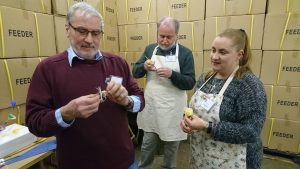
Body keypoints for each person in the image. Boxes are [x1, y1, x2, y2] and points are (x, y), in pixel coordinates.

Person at [26, 2, 145, 169]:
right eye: (82, 31)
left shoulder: (118, 63)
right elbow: (34, 122)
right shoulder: (48, 69)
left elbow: (140, 99)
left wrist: (127, 101)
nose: (89, 40)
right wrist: (67, 113)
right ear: (67, 29)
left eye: (96, 33)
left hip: (124, 162)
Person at [180, 28, 267, 169]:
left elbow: (251, 132)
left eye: (222, 52)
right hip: (201, 157)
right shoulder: (205, 78)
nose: (214, 56)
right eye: (213, 50)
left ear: (239, 55)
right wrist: (187, 121)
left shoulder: (249, 85)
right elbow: (196, 111)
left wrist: (207, 126)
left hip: (234, 161)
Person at [132, 16, 196, 169]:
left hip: (172, 109)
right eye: (162, 36)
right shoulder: (150, 49)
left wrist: (172, 74)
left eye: (169, 37)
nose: (165, 40)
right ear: (157, 34)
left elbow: (190, 82)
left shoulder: (185, 54)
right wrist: (144, 67)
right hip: (152, 107)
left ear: (177, 36)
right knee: (147, 145)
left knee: (171, 146)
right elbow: (135, 72)